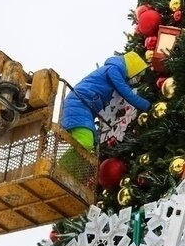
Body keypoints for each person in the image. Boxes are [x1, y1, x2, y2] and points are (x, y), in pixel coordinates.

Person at [58, 51, 151, 184]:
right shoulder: (113, 70)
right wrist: (148, 105)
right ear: (132, 69)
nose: (137, 79)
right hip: (79, 105)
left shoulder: (112, 70)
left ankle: (70, 176)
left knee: (90, 145)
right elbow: (127, 93)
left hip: (83, 107)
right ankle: (59, 170)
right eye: (138, 76)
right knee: (85, 142)